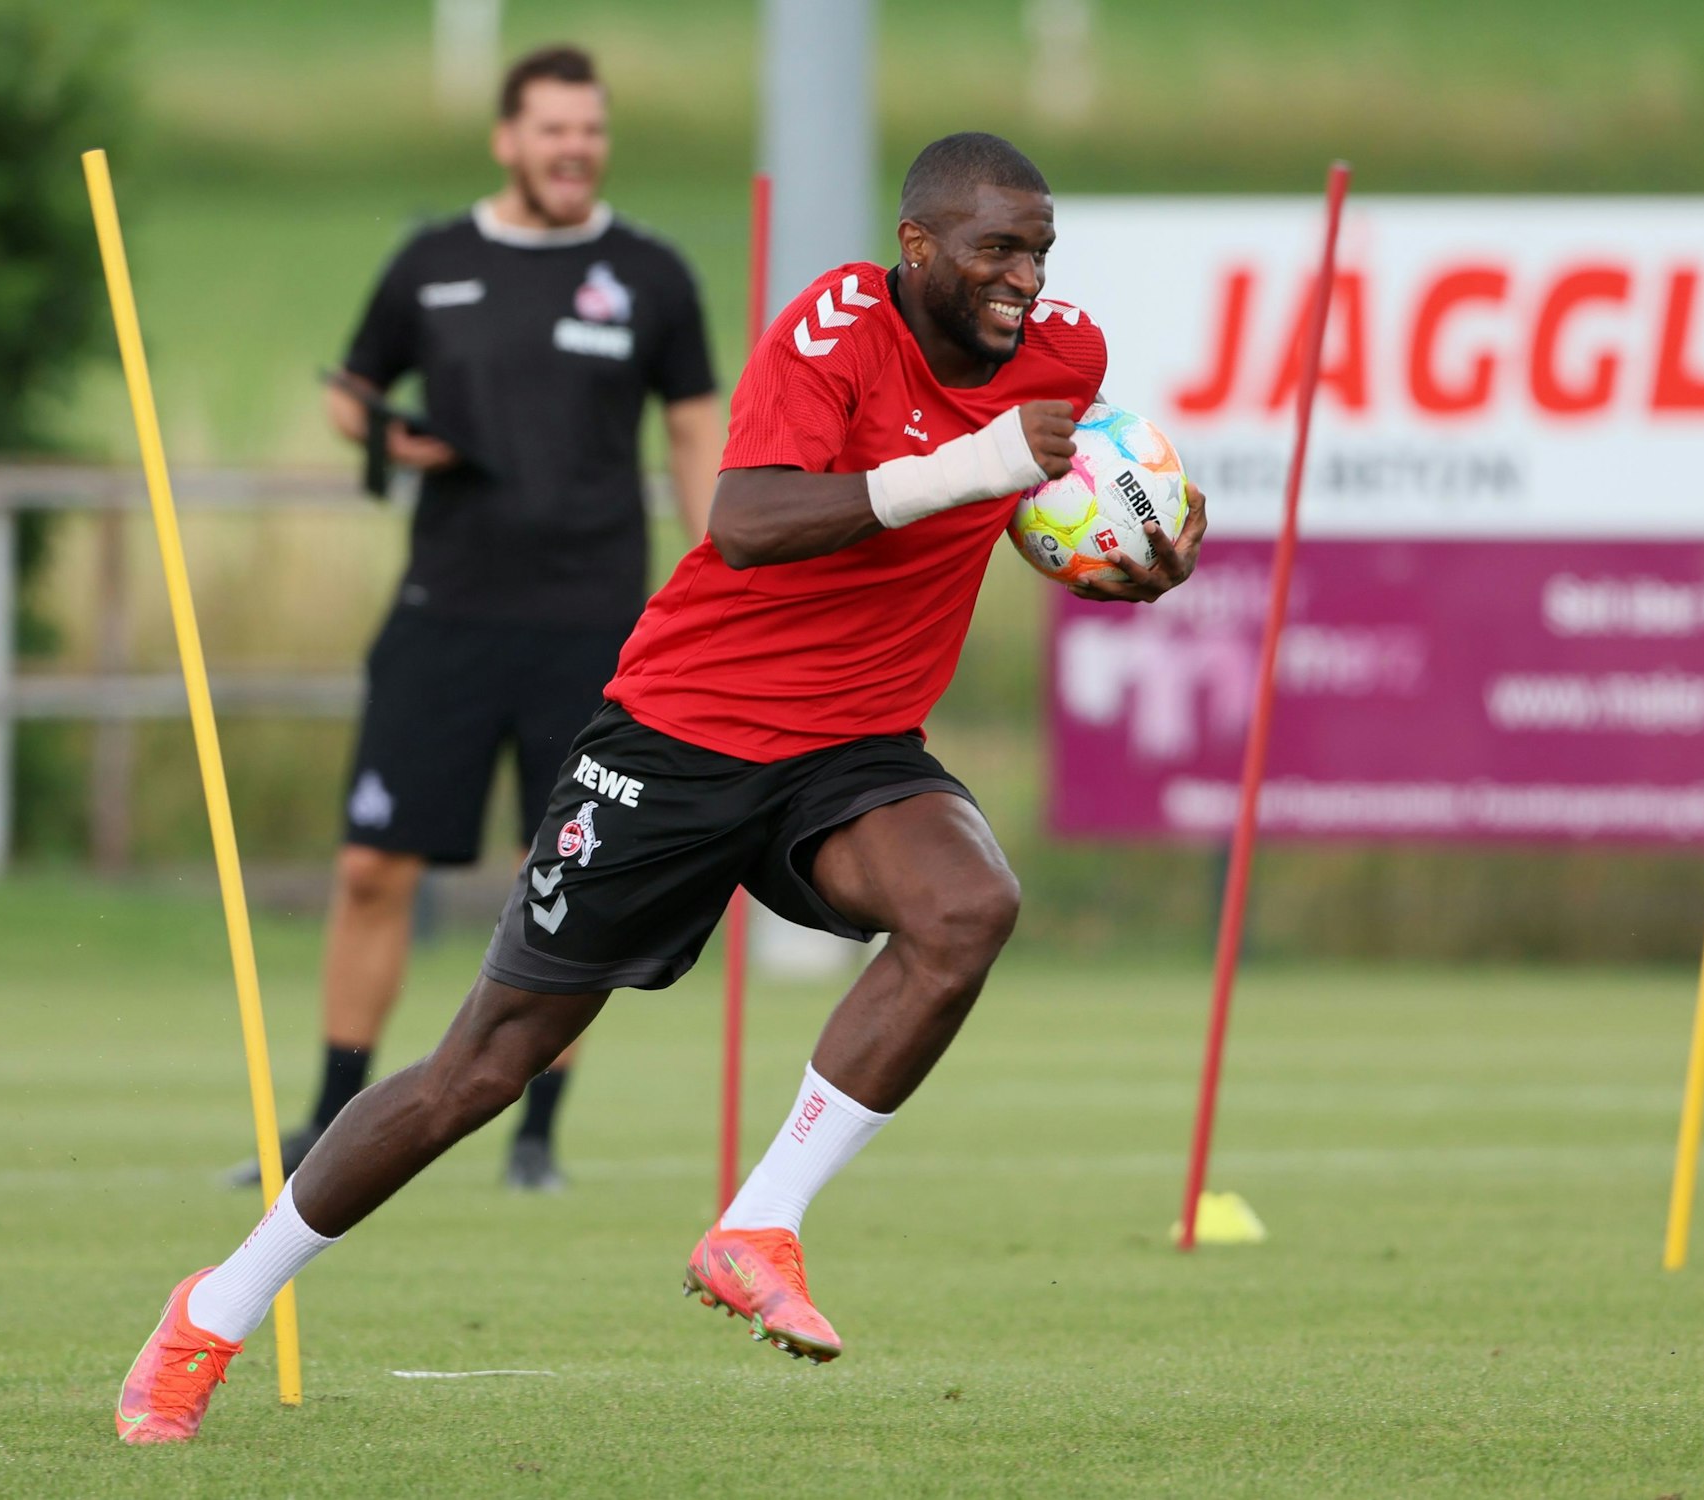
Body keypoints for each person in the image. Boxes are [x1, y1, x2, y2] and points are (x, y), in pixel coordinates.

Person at [118, 131, 1207, 1444]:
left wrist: (1127, 549)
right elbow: (746, 522)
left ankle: (759, 1224)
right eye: (995, 248)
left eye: (1038, 248)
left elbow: (1061, 492)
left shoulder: (1066, 355)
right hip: (681, 738)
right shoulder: (834, 332)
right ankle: (212, 1313)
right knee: (480, 1070)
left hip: (849, 751)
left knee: (967, 908)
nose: (1022, 275)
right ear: (916, 246)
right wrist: (971, 468)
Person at [225, 45, 722, 1195]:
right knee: (368, 868)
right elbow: (347, 393)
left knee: (566, 880)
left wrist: (713, 573)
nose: (573, 149)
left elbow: (695, 429)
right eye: (552, 130)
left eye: (589, 130)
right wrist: (385, 435)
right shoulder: (433, 261)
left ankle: (535, 1136)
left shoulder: (648, 274)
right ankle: (327, 1117)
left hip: (595, 623)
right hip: (443, 613)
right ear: (507, 138)